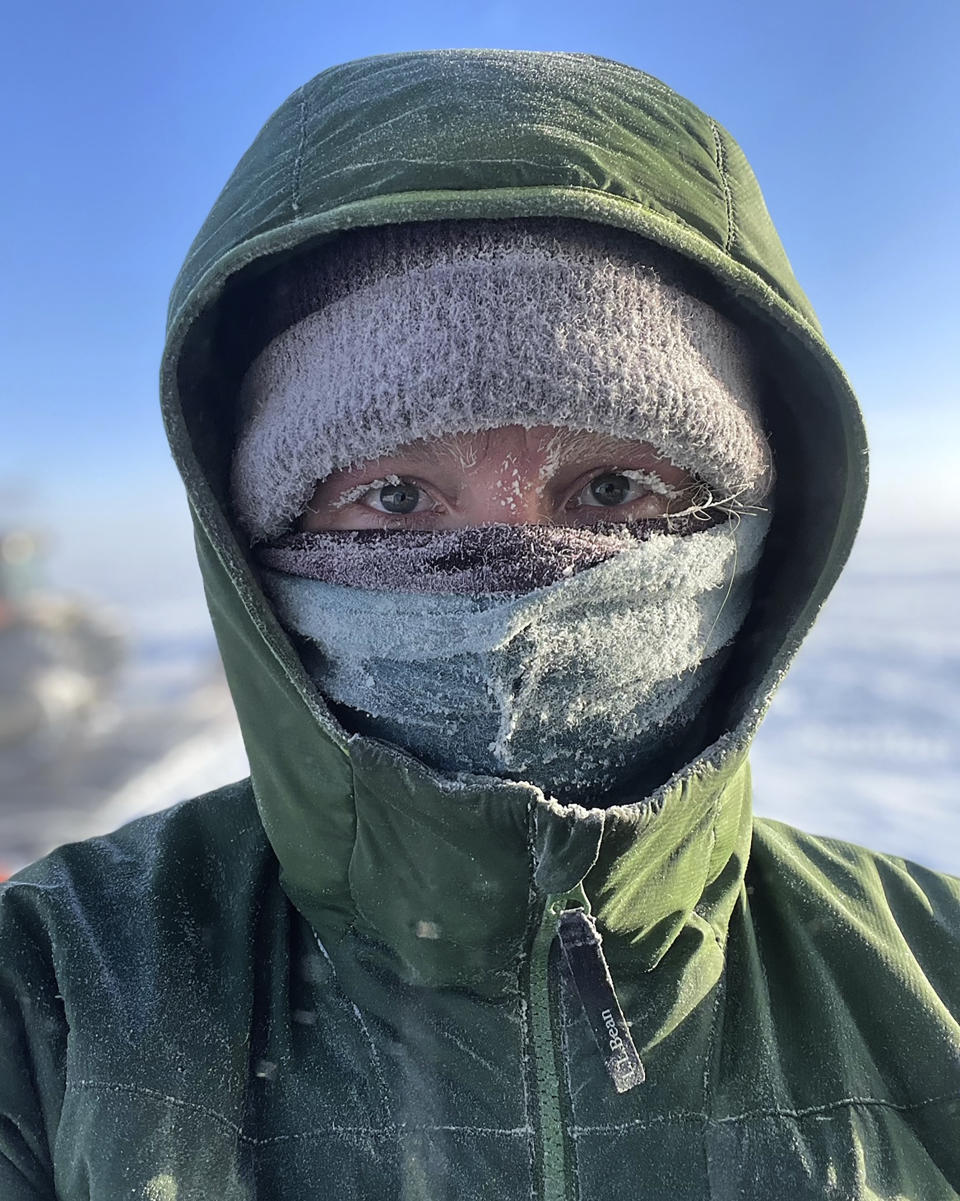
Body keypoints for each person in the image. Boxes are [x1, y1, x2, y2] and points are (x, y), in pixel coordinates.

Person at [1, 47, 958, 1201]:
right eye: (393, 498)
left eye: (612, 490)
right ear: (251, 541)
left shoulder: (933, 973)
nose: (516, 587)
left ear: (760, 531)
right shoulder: (54, 993)